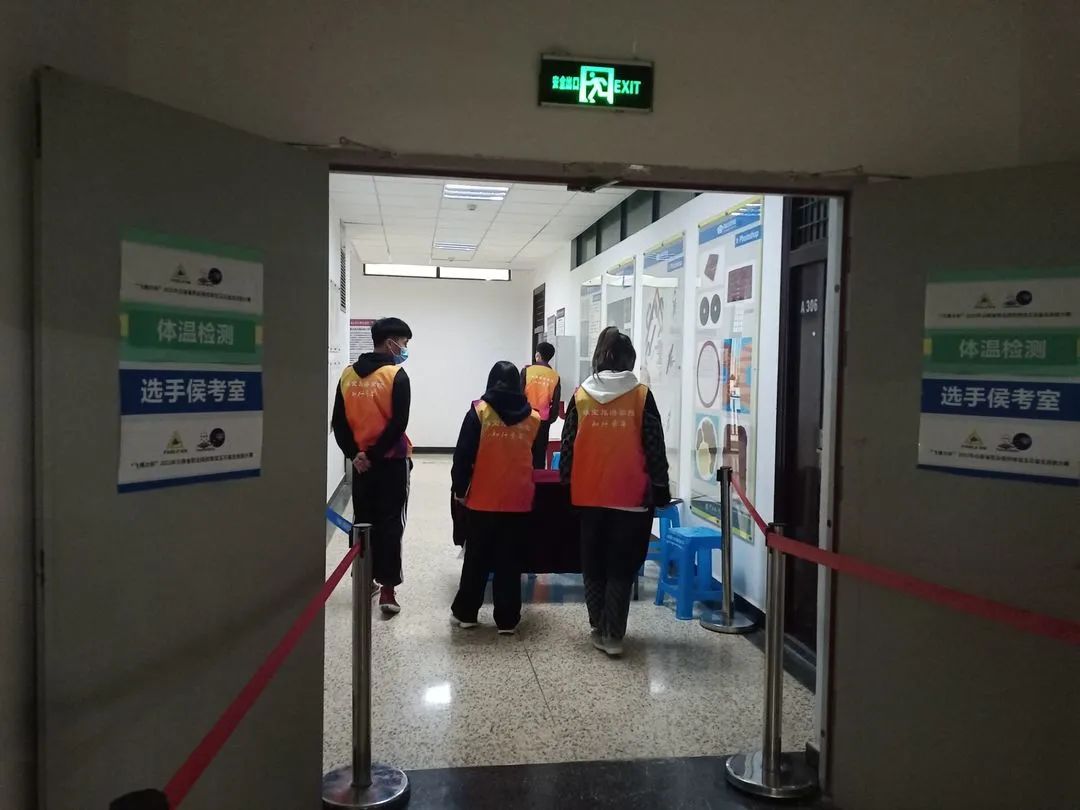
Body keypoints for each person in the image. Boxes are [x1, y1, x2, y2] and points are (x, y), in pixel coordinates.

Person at [559, 327, 670, 656]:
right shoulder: (641, 396)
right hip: (631, 497)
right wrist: (661, 487)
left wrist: (566, 484)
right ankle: (614, 635)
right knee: (622, 564)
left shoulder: (581, 395)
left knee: (593, 562)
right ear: (628, 360)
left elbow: (568, 445)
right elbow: (654, 445)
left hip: (589, 493)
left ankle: (598, 625)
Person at [450, 361, 540, 634]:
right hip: (518, 499)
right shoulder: (533, 418)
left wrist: (460, 490)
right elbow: (535, 459)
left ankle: (467, 613)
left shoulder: (480, 412)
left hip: (483, 498)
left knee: (476, 558)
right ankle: (507, 620)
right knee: (510, 560)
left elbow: (463, 455)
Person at [332, 316, 413, 616]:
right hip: (391, 463)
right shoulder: (396, 375)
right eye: (404, 343)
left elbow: (339, 422)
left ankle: (365, 581)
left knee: (363, 521)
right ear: (391, 342)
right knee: (391, 523)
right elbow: (398, 423)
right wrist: (375, 455)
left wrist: (356, 454)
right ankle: (388, 590)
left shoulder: (347, 375)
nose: (404, 348)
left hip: (361, 466)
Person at [521, 342, 562, 469]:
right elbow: (555, 404)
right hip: (543, 421)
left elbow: (519, 394)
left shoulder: (526, 371)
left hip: (525, 418)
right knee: (539, 457)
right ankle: (538, 480)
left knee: (523, 454)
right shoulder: (555, 376)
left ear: (537, 355)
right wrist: (549, 420)